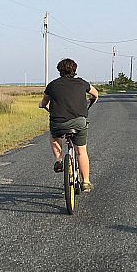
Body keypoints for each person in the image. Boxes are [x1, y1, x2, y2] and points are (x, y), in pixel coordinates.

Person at [39, 58, 99, 192]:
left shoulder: (52, 85)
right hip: (78, 122)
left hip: (58, 122)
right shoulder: (82, 83)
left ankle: (59, 159)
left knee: (54, 135)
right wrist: (93, 100)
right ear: (75, 70)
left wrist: (41, 105)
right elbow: (95, 94)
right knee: (81, 151)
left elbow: (44, 102)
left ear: (59, 70)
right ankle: (86, 182)